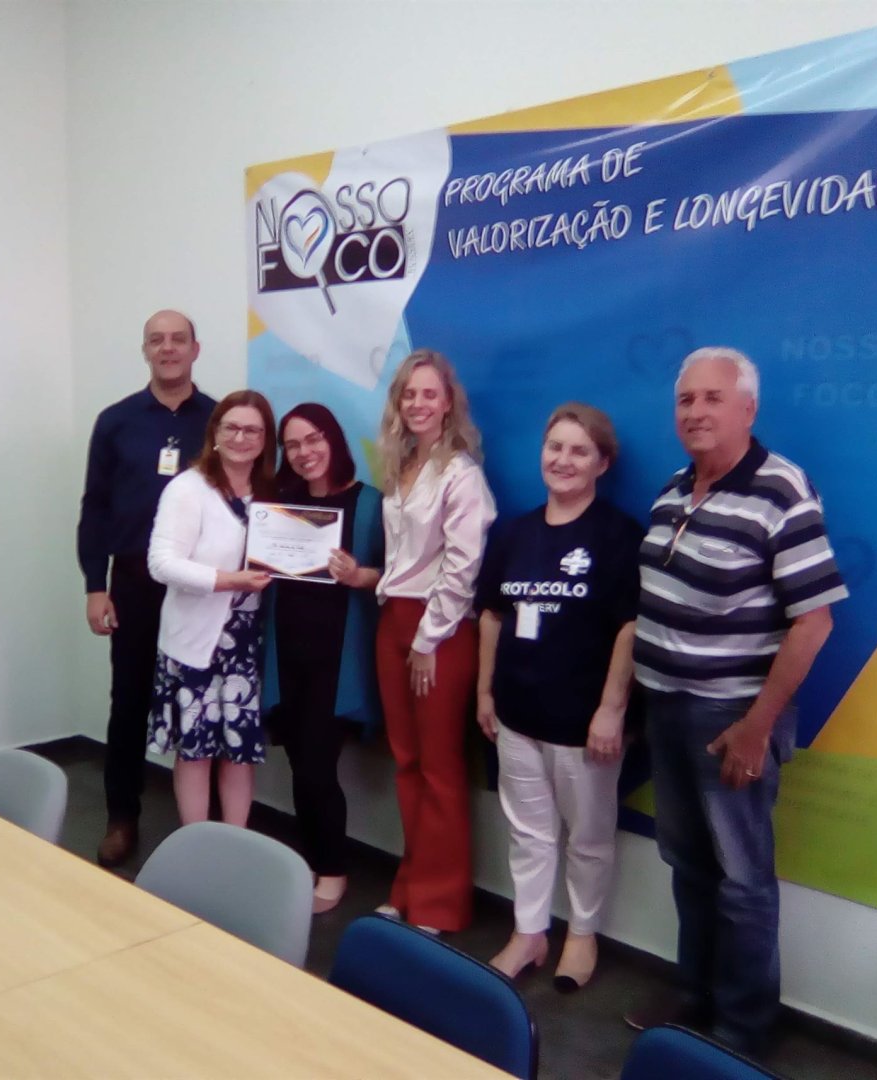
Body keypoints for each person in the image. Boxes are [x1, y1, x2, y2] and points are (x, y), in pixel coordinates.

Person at [624, 347, 847, 1055]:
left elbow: (814, 622)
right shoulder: (671, 491)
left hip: (732, 721)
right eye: (685, 399)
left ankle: (742, 1033)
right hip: (666, 710)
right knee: (688, 865)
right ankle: (695, 997)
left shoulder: (781, 490)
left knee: (743, 881)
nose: (695, 411)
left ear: (748, 408)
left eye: (712, 398)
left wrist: (756, 728)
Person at [475, 403, 643, 989]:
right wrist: (484, 692)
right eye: (555, 447)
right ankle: (529, 932)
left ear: (602, 463)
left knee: (589, 838)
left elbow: (631, 625)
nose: (563, 460)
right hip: (517, 714)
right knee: (529, 833)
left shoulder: (620, 536)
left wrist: (611, 710)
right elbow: (492, 614)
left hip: (584, 722)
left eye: (579, 451)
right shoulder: (516, 533)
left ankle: (581, 935)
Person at [77, 310, 215, 868]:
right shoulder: (116, 421)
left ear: (195, 349)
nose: (168, 348)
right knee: (129, 699)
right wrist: (95, 585)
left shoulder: (219, 420)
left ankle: (203, 826)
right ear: (145, 351)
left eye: (178, 339)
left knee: (200, 699)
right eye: (157, 340)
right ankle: (122, 817)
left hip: (202, 585)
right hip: (134, 581)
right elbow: (95, 507)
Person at [374, 349, 496, 934]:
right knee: (407, 762)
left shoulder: (461, 473)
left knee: (441, 769)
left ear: (449, 403)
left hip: (440, 632)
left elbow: (462, 566)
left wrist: (427, 638)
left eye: (429, 394)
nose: (418, 403)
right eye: (409, 394)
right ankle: (409, 887)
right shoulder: (400, 467)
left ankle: (441, 903)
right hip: (392, 622)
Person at [262, 404, 384, 914]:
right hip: (285, 655)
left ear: (333, 439)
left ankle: (333, 868)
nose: (304, 452)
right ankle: (315, 860)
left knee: (316, 766)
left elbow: (395, 577)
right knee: (298, 762)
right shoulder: (279, 504)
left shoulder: (370, 504)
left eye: (313, 439)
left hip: (338, 662)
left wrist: (359, 575)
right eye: (292, 445)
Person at [147, 390, 277, 827]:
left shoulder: (271, 493)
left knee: (239, 751)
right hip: (196, 641)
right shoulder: (188, 489)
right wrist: (230, 581)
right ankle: (196, 845)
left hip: (246, 642)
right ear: (215, 433)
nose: (241, 438)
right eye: (231, 427)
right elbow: (161, 564)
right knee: (196, 750)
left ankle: (234, 843)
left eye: (252, 430)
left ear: (265, 439)